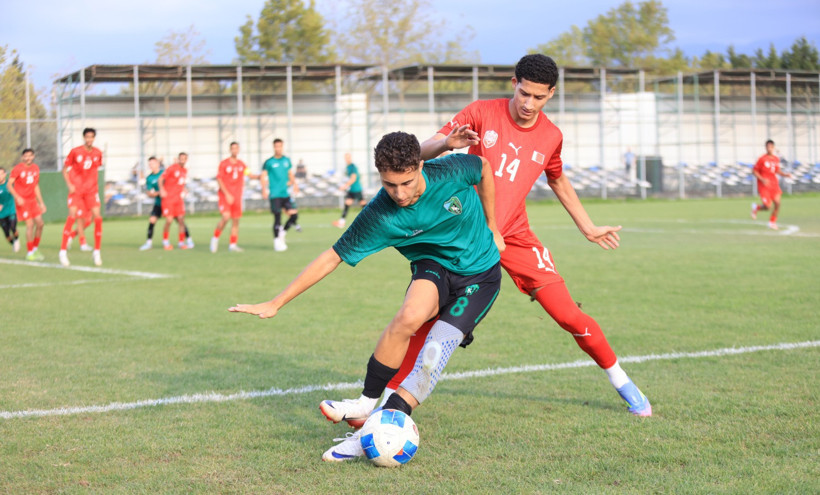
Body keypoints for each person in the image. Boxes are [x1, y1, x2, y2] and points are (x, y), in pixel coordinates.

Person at [341, 55, 649, 431]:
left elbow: (558, 179)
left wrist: (587, 227)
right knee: (421, 320)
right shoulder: (480, 112)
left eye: (538, 97)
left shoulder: (552, 136)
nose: (528, 103)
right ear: (514, 82)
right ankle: (381, 406)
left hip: (515, 235)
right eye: (523, 92)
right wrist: (433, 149)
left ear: (551, 94)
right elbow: (420, 152)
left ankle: (623, 382)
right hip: (466, 232)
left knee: (569, 315)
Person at [229, 131, 505, 463]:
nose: (400, 194)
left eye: (407, 182)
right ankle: (365, 402)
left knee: (436, 347)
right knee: (408, 317)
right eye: (390, 185)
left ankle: (367, 434)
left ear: (421, 166)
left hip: (480, 275)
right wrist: (277, 301)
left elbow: (484, 167)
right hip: (433, 265)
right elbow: (332, 257)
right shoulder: (380, 213)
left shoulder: (451, 171)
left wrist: (493, 224)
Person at [60, 127, 104, 267]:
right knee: (72, 216)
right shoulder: (75, 152)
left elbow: (95, 168)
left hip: (91, 190)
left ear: (94, 138)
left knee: (97, 218)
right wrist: (69, 184)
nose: (89, 139)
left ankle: (96, 252)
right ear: (84, 138)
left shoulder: (98, 153)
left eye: (91, 137)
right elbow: (65, 169)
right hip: (77, 190)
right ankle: (62, 252)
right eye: (87, 137)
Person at [260, 138, 299, 252]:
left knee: (294, 215)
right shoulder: (269, 162)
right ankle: (277, 241)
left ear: (282, 147)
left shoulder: (287, 160)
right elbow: (263, 176)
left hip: (285, 194)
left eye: (280, 146)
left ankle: (282, 232)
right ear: (274, 147)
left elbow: (290, 174)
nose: (278, 148)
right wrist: (264, 189)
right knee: (278, 217)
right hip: (275, 194)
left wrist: (295, 184)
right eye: (276, 146)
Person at [8, 149, 47, 261]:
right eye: (26, 156)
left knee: (40, 224)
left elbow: (36, 186)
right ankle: (30, 252)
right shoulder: (18, 169)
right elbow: (9, 185)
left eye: (30, 156)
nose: (28, 158)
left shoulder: (35, 168)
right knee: (30, 225)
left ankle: (35, 249)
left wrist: (41, 203)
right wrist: (17, 197)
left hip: (32, 201)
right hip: (22, 202)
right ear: (22, 158)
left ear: (33, 156)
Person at [210, 142, 247, 253]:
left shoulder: (241, 164)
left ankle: (233, 244)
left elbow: (249, 174)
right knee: (226, 217)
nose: (235, 150)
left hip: (237, 196)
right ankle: (215, 238)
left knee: (235, 221)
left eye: (236, 148)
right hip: (225, 196)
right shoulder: (224, 164)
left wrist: (261, 176)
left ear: (239, 150)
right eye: (233, 148)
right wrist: (227, 194)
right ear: (230, 150)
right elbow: (219, 179)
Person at [751, 139, 792, 230]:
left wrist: (785, 175)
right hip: (764, 186)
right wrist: (762, 179)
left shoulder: (776, 159)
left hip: (774, 185)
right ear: (765, 148)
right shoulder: (762, 159)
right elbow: (754, 171)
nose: (769, 148)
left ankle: (772, 222)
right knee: (767, 206)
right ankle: (756, 207)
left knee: (778, 204)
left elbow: (777, 170)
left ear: (773, 148)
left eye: (771, 147)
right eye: (767, 147)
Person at [159, 152, 194, 250]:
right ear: (178, 159)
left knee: (181, 220)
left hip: (178, 199)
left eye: (184, 159)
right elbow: (161, 178)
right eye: (181, 158)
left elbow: (179, 183)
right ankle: (165, 241)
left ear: (186, 160)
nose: (182, 160)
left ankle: (181, 242)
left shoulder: (185, 171)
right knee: (169, 220)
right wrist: (162, 189)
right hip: (169, 198)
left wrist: (184, 189)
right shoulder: (172, 168)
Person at [332, 153, 367, 228]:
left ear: (350, 158)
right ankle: (342, 222)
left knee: (363, 205)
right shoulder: (348, 167)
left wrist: (345, 186)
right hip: (352, 189)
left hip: (356, 189)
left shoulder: (352, 167)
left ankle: (372, 219)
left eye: (348, 157)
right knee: (347, 203)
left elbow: (353, 178)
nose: (346, 159)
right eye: (345, 157)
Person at [138, 156, 164, 250]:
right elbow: (149, 193)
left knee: (179, 220)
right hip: (158, 203)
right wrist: (157, 193)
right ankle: (148, 243)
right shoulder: (149, 178)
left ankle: (188, 240)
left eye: (153, 163)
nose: (151, 166)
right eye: (149, 164)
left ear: (157, 163)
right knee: (152, 220)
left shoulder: (164, 173)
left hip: (168, 202)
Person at [0, 167, 21, 253]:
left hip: (11, 210)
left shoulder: (10, 183)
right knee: (7, 234)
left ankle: (16, 240)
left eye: (1, 174)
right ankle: (13, 243)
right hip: (1, 214)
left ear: (5, 174)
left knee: (13, 227)